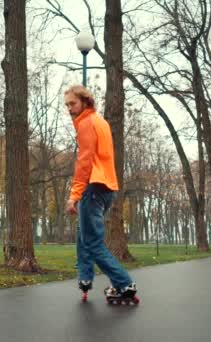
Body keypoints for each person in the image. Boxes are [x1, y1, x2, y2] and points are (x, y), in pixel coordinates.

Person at [64, 85, 137, 300]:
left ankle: (124, 284)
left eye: (73, 103)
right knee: (84, 235)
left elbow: (84, 162)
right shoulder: (100, 121)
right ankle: (85, 277)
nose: (69, 109)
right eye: (67, 105)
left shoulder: (87, 123)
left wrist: (74, 194)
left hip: (93, 187)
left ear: (85, 102)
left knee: (94, 243)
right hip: (107, 189)